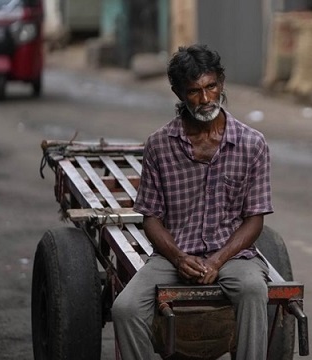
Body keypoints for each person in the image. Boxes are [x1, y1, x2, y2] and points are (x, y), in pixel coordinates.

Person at [111, 44, 274, 360]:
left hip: (233, 257)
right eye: (194, 91)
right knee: (125, 308)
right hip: (173, 257)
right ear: (178, 93)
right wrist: (177, 257)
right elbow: (151, 218)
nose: (205, 99)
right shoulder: (159, 145)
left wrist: (217, 261)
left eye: (211, 87)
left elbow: (255, 218)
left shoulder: (252, 143)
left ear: (222, 82)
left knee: (254, 290)